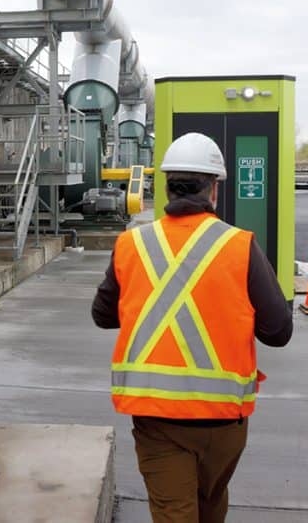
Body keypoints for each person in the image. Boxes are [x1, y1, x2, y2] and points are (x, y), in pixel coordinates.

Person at [92, 132, 293, 523]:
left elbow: (103, 315)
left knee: (175, 512)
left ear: (167, 187)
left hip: (157, 418)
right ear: (213, 189)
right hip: (224, 420)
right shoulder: (240, 246)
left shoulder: (132, 244)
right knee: (211, 505)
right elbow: (278, 331)